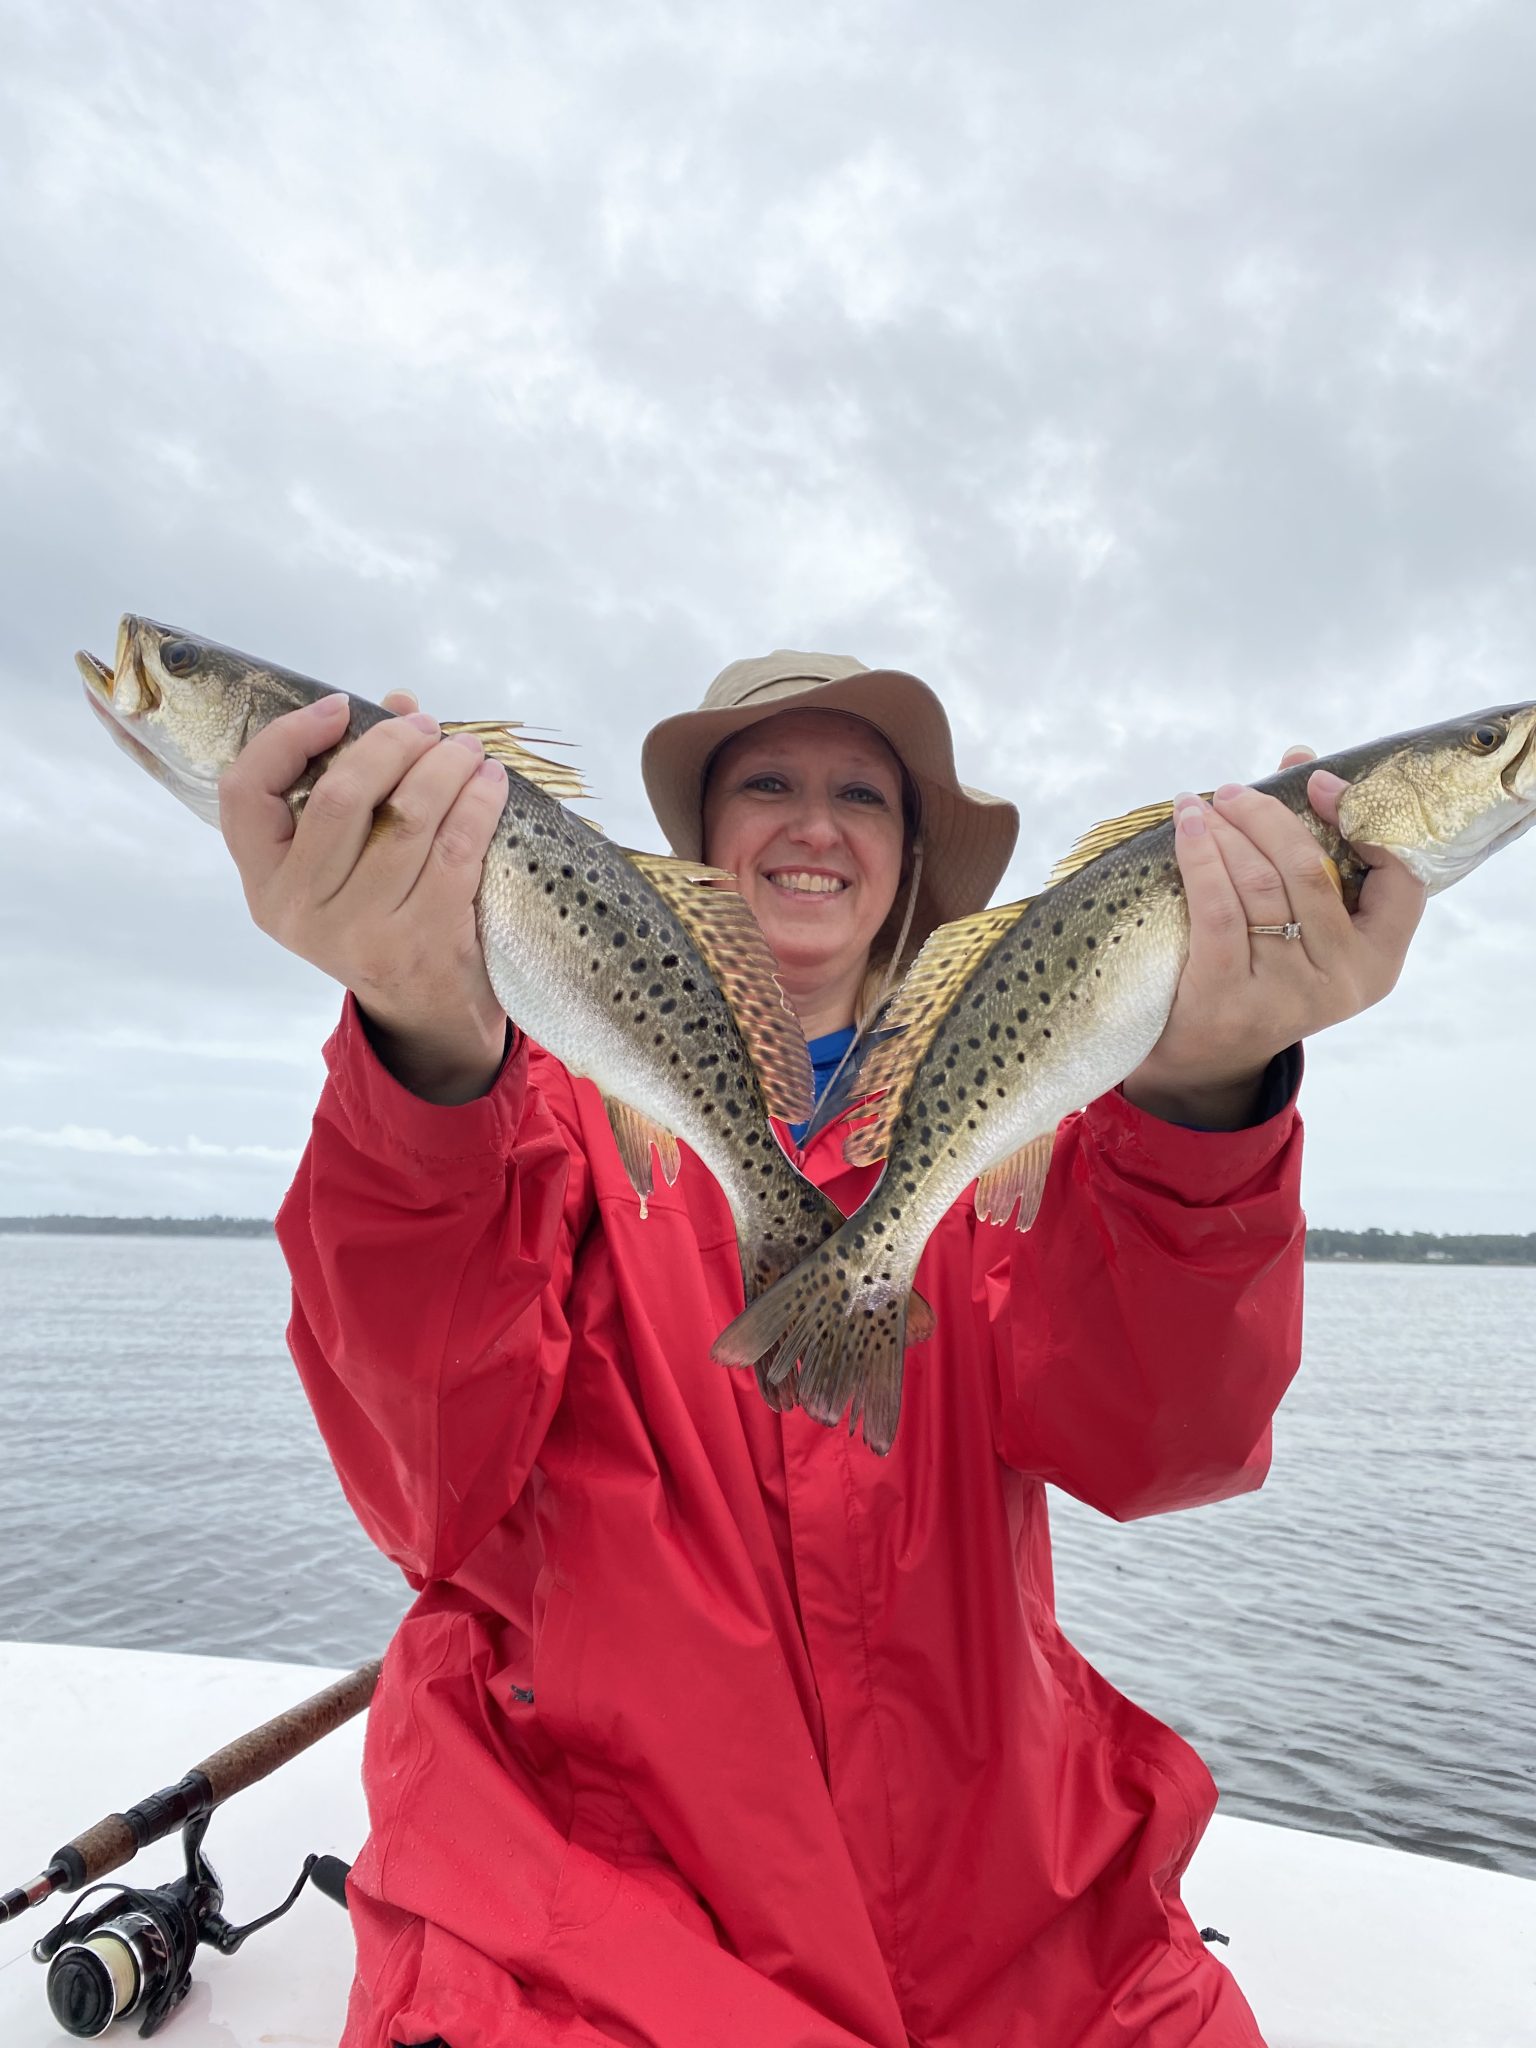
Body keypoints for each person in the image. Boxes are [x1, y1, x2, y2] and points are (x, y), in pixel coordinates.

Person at [219, 652, 1424, 2048]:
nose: (814, 822)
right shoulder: (523, 1098)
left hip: (1024, 1928)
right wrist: (421, 1056)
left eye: (862, 793)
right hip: (586, 1928)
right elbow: (421, 1485)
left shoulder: (1024, 1128)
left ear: (909, 863)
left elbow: (1169, 1447)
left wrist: (1213, 1092)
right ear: (700, 851)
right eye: (768, 783)